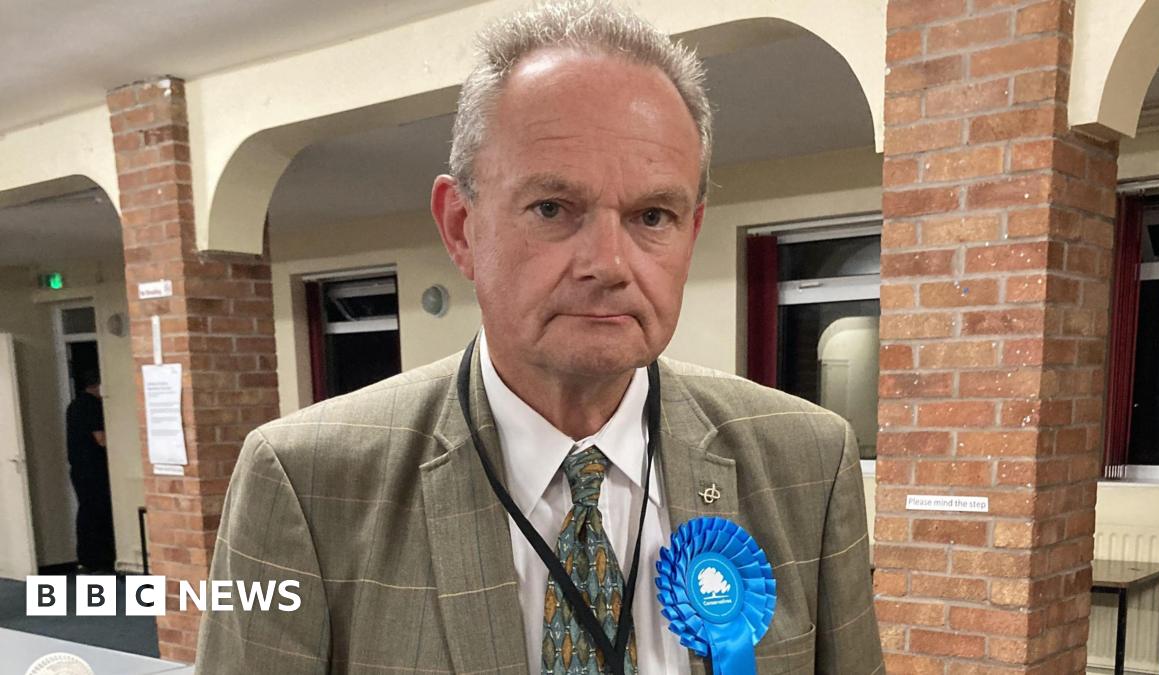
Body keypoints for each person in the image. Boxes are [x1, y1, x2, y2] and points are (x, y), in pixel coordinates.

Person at [195, 2, 882, 673]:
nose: (609, 264)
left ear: (691, 232)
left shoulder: (808, 464)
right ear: (462, 226)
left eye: (652, 215)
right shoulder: (307, 485)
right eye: (553, 208)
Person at [65, 369, 116, 574]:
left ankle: (87, 558)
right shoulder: (92, 406)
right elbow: (101, 439)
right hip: (95, 469)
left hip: (79, 468)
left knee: (86, 512)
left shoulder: (74, 406)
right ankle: (100, 558)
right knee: (99, 512)